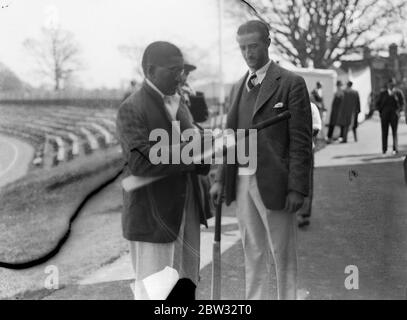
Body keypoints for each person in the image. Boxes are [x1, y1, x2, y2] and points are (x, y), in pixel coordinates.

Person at [210, 20, 313, 300]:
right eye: (242, 48)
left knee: (283, 253)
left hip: (277, 184)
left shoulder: (291, 83)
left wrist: (297, 188)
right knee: (252, 250)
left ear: (268, 43)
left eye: (253, 46)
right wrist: (220, 179)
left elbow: (301, 143)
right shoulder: (236, 88)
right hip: (243, 181)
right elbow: (229, 137)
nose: (248, 53)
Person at [116, 41, 211, 300]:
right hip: (152, 215)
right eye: (173, 69)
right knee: (156, 292)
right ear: (150, 70)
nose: (181, 76)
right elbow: (141, 162)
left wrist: (211, 149)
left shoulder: (179, 104)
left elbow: (195, 148)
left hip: (186, 209)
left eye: (182, 69)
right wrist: (193, 154)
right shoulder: (131, 108)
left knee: (185, 285)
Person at [297, 102, 322, 228]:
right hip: (285, 150)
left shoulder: (311, 107)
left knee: (305, 181)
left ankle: (303, 214)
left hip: (304, 149)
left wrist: (301, 137)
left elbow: (316, 127)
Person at [377, 78, 406, 155]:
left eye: (392, 85)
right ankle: (384, 149)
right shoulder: (383, 93)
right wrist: (381, 112)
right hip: (385, 115)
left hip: (394, 115)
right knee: (384, 132)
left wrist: (399, 112)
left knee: (394, 132)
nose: (391, 86)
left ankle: (395, 148)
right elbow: (378, 104)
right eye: (390, 84)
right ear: (387, 85)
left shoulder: (398, 93)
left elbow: (402, 103)